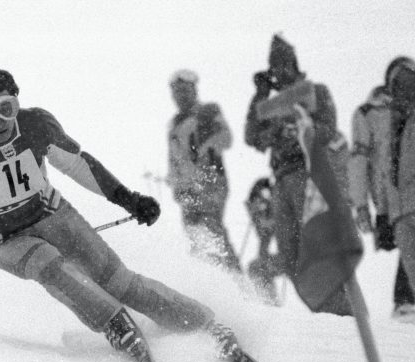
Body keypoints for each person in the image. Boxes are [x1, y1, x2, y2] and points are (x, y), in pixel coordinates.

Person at [0, 65, 239, 362]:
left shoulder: (35, 124)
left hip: (53, 215)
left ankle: (202, 323)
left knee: (118, 281)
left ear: (17, 103)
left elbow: (78, 164)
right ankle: (118, 327)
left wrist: (127, 198)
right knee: (46, 262)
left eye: (6, 109)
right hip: (7, 241)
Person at [244, 34, 352, 316]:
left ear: (294, 64)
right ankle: (326, 310)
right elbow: (251, 136)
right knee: (290, 255)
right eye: (273, 65)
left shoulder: (315, 91)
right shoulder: (271, 104)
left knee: (318, 247)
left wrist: (300, 130)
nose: (279, 70)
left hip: (309, 174)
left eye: (283, 63)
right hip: (281, 181)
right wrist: (260, 94)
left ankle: (342, 311)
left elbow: (329, 129)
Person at [348, 58, 415, 321]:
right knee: (406, 244)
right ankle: (405, 301)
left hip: (397, 200)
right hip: (392, 198)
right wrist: (361, 204)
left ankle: (405, 300)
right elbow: (360, 161)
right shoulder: (370, 114)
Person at [167, 70, 241, 273]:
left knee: (211, 229)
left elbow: (225, 137)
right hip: (187, 188)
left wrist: (205, 147)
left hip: (210, 181)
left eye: (185, 90)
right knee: (196, 237)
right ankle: (211, 279)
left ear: (194, 91)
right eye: (177, 91)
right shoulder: (174, 124)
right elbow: (174, 159)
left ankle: (236, 280)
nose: (181, 96)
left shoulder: (207, 112)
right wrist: (176, 184)